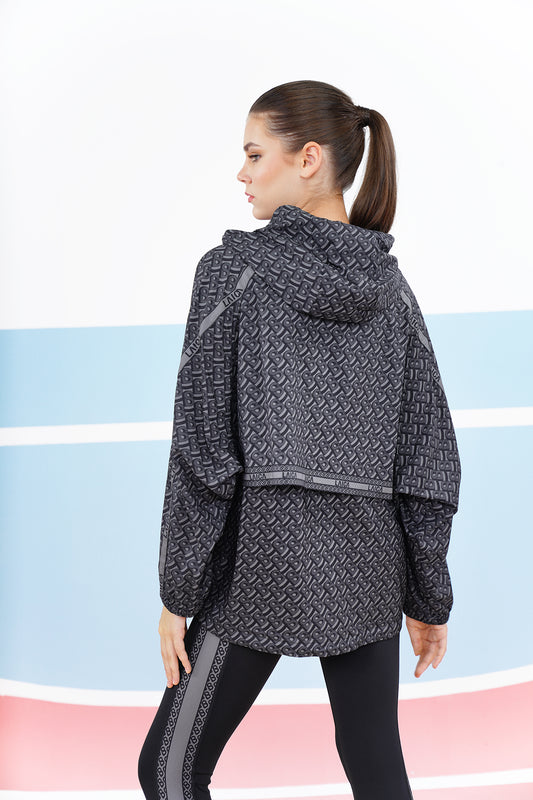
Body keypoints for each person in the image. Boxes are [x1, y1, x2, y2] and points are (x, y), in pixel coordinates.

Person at [137, 79, 461, 800]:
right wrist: (427, 595)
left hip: (259, 557)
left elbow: (203, 452)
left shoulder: (232, 272)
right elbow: (428, 462)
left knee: (169, 769)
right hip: (368, 565)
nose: (242, 172)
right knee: (375, 765)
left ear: (308, 158)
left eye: (255, 154)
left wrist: (179, 588)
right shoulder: (394, 293)